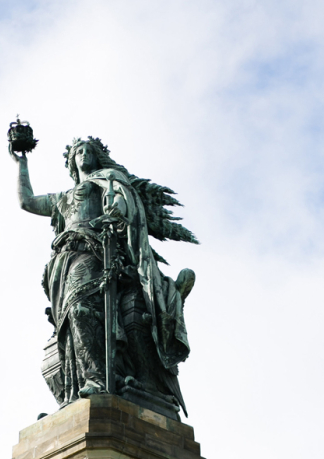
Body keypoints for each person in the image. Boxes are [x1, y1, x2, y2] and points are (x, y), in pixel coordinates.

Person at [13, 136, 196, 417]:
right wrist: (21, 164)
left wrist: (117, 212)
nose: (84, 154)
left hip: (96, 250)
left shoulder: (108, 180)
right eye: (78, 152)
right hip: (63, 260)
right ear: (71, 163)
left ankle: (97, 380)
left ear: (98, 156)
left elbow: (126, 204)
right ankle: (77, 388)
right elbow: (26, 201)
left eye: (89, 150)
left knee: (82, 310)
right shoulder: (62, 198)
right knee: (69, 322)